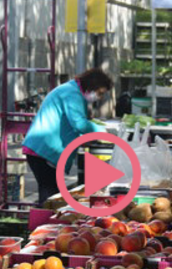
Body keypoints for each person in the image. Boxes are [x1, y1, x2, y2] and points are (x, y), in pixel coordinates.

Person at [22, 68, 111, 205]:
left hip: (44, 149)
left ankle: (46, 222)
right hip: (44, 150)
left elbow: (70, 124)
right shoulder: (72, 94)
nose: (98, 97)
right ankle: (45, 224)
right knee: (50, 197)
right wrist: (105, 130)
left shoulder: (71, 90)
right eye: (99, 93)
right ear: (92, 85)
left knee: (51, 194)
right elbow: (79, 124)